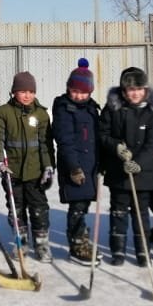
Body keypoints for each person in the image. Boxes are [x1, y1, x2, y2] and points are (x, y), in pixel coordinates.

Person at [0, 71, 55, 263]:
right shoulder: (3, 113)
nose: (27, 95)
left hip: (36, 173)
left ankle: (42, 244)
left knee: (39, 209)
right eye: (22, 91)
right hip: (13, 173)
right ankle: (21, 243)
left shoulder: (41, 114)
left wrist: (49, 167)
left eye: (31, 91)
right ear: (13, 92)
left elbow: (46, 144)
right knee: (16, 210)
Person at [99, 66, 153, 267]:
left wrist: (138, 163)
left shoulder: (152, 111)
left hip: (142, 173)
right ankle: (118, 249)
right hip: (118, 170)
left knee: (140, 212)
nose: (134, 93)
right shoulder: (112, 108)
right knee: (118, 211)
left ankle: (143, 251)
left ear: (144, 89)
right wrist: (116, 147)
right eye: (129, 89)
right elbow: (102, 134)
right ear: (123, 91)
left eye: (138, 89)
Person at [51, 58, 101, 266]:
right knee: (77, 207)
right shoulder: (64, 108)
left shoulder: (92, 109)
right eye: (75, 91)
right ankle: (77, 244)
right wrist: (74, 167)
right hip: (75, 168)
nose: (79, 96)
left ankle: (83, 238)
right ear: (68, 88)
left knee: (84, 205)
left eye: (84, 92)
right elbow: (64, 140)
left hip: (90, 168)